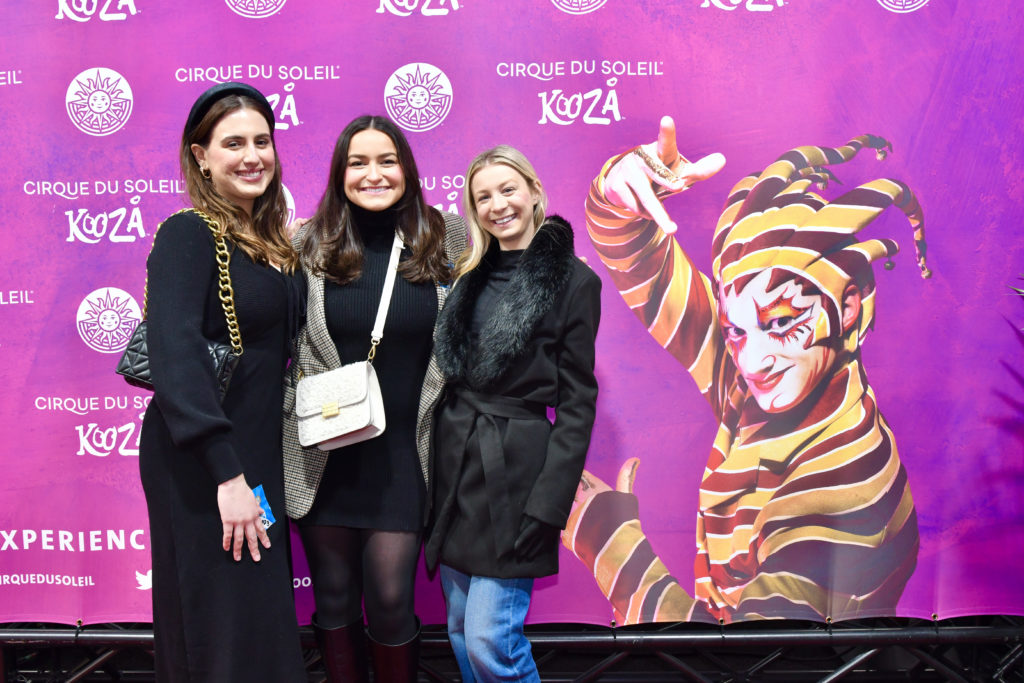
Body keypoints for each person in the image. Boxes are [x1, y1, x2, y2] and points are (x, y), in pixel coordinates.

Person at [562, 116, 927, 624]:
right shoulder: (773, 380)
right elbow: (641, 261)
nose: (752, 362)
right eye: (735, 332)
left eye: (781, 322)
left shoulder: (844, 486)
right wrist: (619, 194)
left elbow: (753, 660)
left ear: (847, 308)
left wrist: (609, 544)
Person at [281, 115, 466, 682]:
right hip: (326, 452)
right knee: (333, 601)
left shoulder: (446, 237)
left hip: (406, 454)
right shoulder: (305, 243)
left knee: (389, 600)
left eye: (386, 160)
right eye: (357, 163)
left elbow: (518, 242)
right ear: (340, 173)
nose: (373, 174)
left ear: (407, 168)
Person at [138, 82, 306, 681]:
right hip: (204, 461)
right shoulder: (188, 234)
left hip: (255, 451)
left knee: (256, 620)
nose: (252, 155)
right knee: (217, 626)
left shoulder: (267, 242)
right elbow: (176, 358)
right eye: (232, 143)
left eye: (262, 141)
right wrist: (227, 473)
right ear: (200, 156)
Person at [424, 145, 602, 682]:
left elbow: (577, 402)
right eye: (483, 197)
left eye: (507, 190)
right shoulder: (467, 276)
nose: (497, 205)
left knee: (489, 639)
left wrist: (549, 504)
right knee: (459, 628)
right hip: (456, 463)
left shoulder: (574, 281)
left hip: (517, 475)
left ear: (533, 193)